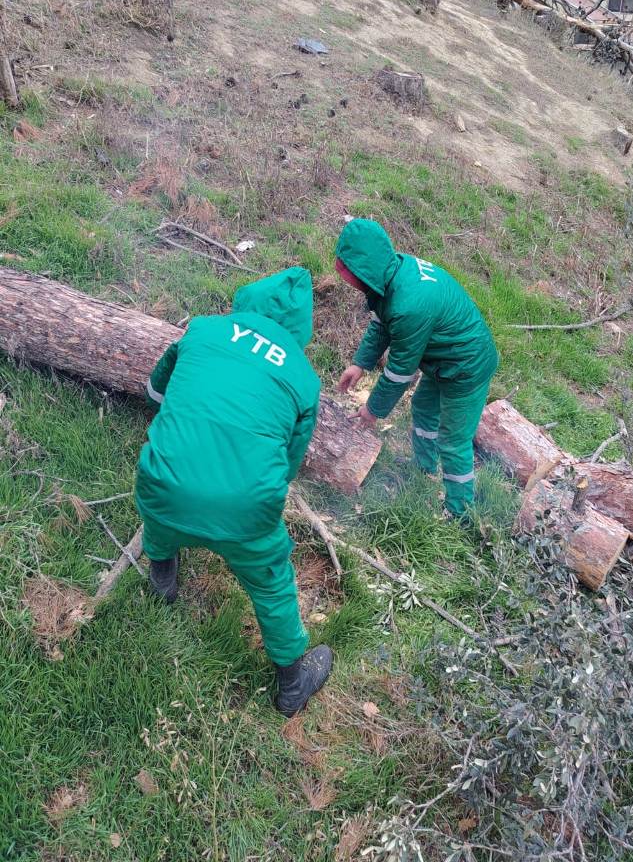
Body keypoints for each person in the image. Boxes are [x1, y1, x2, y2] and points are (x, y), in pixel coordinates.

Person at [134, 267, 332, 718]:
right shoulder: (303, 378)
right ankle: (292, 684)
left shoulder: (202, 329)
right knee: (271, 581)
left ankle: (162, 574)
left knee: (161, 501)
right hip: (245, 508)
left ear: (247, 301)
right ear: (300, 329)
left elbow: (154, 390)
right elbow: (289, 464)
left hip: (164, 481)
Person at [335, 219, 498, 518]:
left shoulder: (410, 304)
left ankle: (459, 511)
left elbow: (400, 372)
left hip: (466, 367)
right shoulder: (394, 273)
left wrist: (373, 410)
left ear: (364, 269)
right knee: (423, 405)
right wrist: (360, 363)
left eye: (348, 273)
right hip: (444, 359)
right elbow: (382, 321)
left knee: (454, 440)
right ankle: (423, 467)